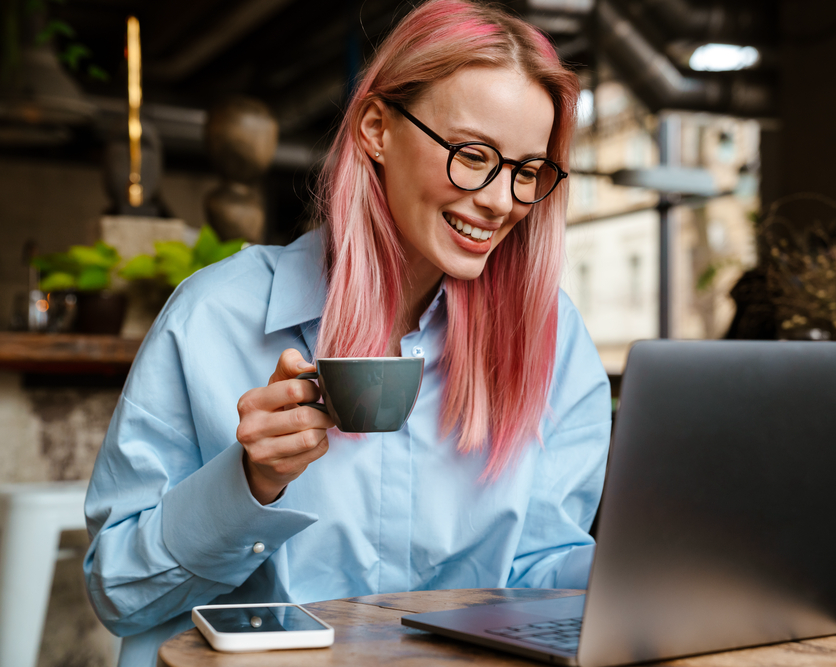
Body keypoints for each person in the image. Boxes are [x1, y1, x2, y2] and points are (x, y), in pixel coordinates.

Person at [83, 1, 611, 664]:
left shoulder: (551, 341)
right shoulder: (213, 319)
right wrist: (249, 482)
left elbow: (539, 574)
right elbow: (118, 594)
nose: (502, 200)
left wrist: (667, 572)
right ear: (375, 128)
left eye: (527, 171)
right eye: (473, 155)